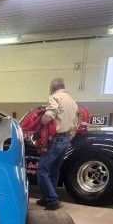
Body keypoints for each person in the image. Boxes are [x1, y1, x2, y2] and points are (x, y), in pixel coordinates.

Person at [37, 77, 78, 210]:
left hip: (56, 140)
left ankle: (52, 199)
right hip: (66, 139)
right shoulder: (72, 101)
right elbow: (75, 123)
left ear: (52, 88)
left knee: (42, 170)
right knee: (54, 171)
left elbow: (49, 116)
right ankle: (48, 198)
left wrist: (40, 119)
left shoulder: (55, 97)